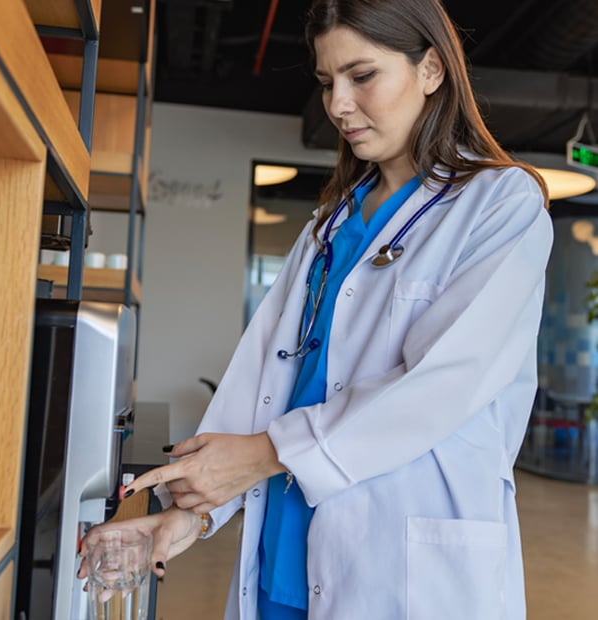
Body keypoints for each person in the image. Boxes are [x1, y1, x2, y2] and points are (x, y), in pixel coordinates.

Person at [78, 0, 554, 618]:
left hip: (403, 569)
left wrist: (262, 456)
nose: (337, 105)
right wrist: (189, 517)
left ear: (432, 68)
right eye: (328, 82)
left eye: (362, 76)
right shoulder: (328, 227)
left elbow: (440, 385)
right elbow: (266, 385)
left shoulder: (499, 205)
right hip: (284, 551)